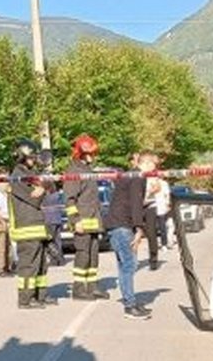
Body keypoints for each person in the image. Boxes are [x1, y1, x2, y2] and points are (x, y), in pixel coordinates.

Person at [9, 139, 56, 308]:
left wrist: (45, 181)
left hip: (36, 225)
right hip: (27, 227)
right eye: (32, 157)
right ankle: (25, 299)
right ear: (22, 157)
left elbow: (47, 189)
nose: (34, 160)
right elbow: (34, 198)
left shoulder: (29, 173)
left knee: (42, 263)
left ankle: (40, 296)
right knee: (29, 265)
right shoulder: (17, 176)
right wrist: (42, 188)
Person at [105, 153, 151, 320]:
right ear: (146, 163)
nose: (156, 169)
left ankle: (129, 301)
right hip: (123, 225)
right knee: (130, 265)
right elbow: (135, 203)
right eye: (154, 164)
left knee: (124, 265)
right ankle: (130, 306)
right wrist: (139, 228)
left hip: (116, 224)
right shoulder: (137, 177)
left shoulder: (129, 175)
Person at [66, 134, 109, 300]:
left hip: (93, 221)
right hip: (82, 222)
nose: (93, 156)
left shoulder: (87, 170)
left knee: (93, 254)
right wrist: (75, 221)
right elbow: (69, 199)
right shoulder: (73, 171)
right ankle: (79, 289)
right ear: (81, 153)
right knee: (82, 255)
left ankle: (92, 287)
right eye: (90, 153)